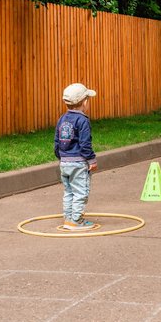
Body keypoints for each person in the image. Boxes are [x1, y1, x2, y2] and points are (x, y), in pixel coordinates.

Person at [54, 83, 98, 230]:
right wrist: (91, 159)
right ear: (84, 102)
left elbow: (56, 141)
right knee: (80, 192)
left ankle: (68, 218)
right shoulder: (83, 120)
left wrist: (61, 157)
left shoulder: (62, 119)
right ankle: (76, 221)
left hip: (64, 162)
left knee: (69, 191)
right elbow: (85, 143)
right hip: (79, 163)